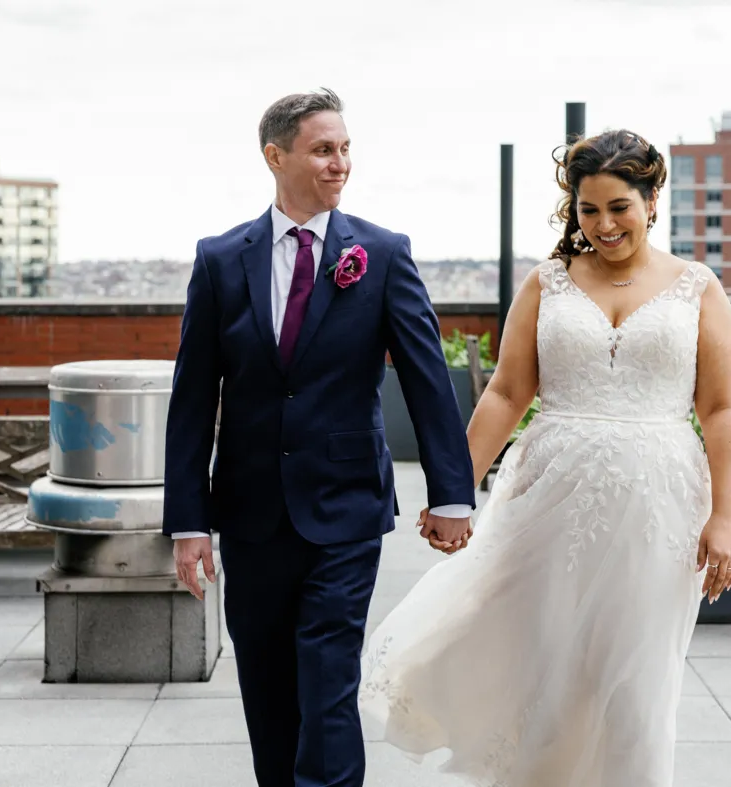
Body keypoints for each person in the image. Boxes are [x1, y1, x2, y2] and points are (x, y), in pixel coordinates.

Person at [359, 129, 731, 787]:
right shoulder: (548, 283)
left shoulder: (697, 289)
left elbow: (721, 410)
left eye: (618, 206)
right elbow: (507, 392)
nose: (603, 225)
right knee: (546, 668)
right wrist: (457, 491)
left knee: (636, 684)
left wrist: (726, 517)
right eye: (587, 209)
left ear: (654, 198)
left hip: (660, 508)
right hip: (548, 501)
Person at [162, 88, 476, 787]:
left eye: (345, 148)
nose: (340, 164)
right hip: (249, 512)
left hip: (346, 508)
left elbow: (427, 378)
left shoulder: (384, 254)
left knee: (328, 675)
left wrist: (452, 493)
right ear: (276, 156)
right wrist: (189, 521)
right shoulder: (219, 261)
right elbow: (192, 400)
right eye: (323, 149)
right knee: (268, 683)